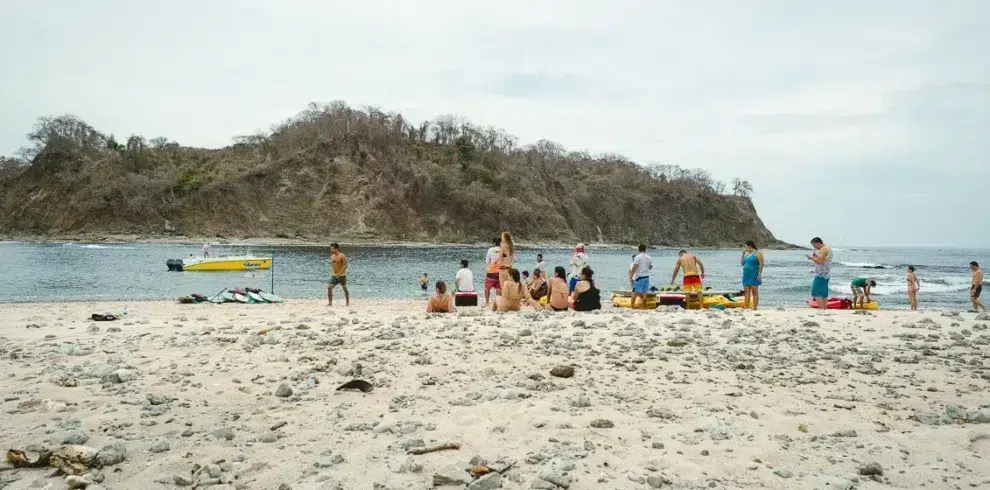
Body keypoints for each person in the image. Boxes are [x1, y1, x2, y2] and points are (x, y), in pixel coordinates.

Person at [807, 237, 832, 310]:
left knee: (816, 293)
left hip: (821, 274)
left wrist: (811, 258)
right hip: (826, 273)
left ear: (818, 243)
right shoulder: (828, 248)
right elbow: (824, 259)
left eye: (814, 245)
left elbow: (820, 261)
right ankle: (824, 309)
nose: (814, 247)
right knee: (824, 294)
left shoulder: (823, 249)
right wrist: (816, 256)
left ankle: (821, 308)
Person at [741, 241, 764, 310]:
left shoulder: (758, 253)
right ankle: (746, 306)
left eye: (745, 246)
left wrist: (759, 274)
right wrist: (743, 254)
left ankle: (755, 307)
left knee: (754, 292)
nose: (744, 248)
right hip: (746, 275)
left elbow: (761, 264)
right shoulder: (747, 254)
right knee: (746, 292)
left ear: (749, 246)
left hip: (754, 274)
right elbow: (742, 263)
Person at [629, 244, 653, 309]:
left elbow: (634, 267)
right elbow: (650, 267)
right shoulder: (649, 257)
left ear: (639, 249)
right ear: (645, 249)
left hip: (639, 277)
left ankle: (632, 306)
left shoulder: (637, 257)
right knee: (644, 292)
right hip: (646, 277)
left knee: (634, 291)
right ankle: (643, 307)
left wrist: (631, 276)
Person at [484, 237, 502, 305]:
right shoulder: (502, 250)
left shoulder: (490, 250)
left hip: (492, 271)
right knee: (498, 287)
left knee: (487, 287)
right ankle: (498, 302)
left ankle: (487, 302)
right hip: (500, 272)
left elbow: (487, 261)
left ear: (494, 243)